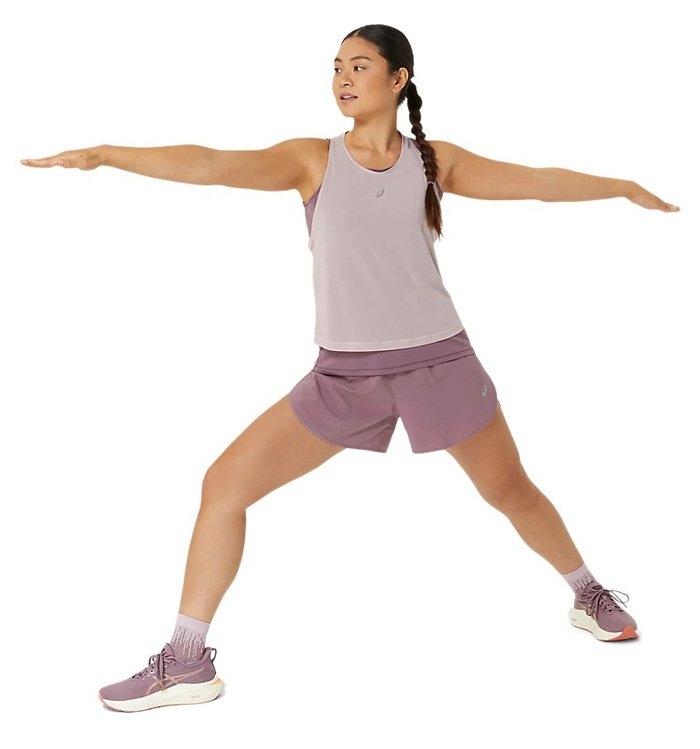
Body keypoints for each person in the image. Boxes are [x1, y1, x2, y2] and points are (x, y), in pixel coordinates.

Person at [21, 23, 679, 713]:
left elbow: (538, 183)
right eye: (336, 66)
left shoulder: (434, 162)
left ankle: (586, 593)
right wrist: (106, 155)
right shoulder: (311, 159)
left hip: (440, 362)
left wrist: (620, 186)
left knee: (511, 490)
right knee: (224, 487)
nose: (342, 77)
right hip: (344, 377)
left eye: (360, 66)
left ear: (398, 79)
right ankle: (186, 661)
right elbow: (211, 162)